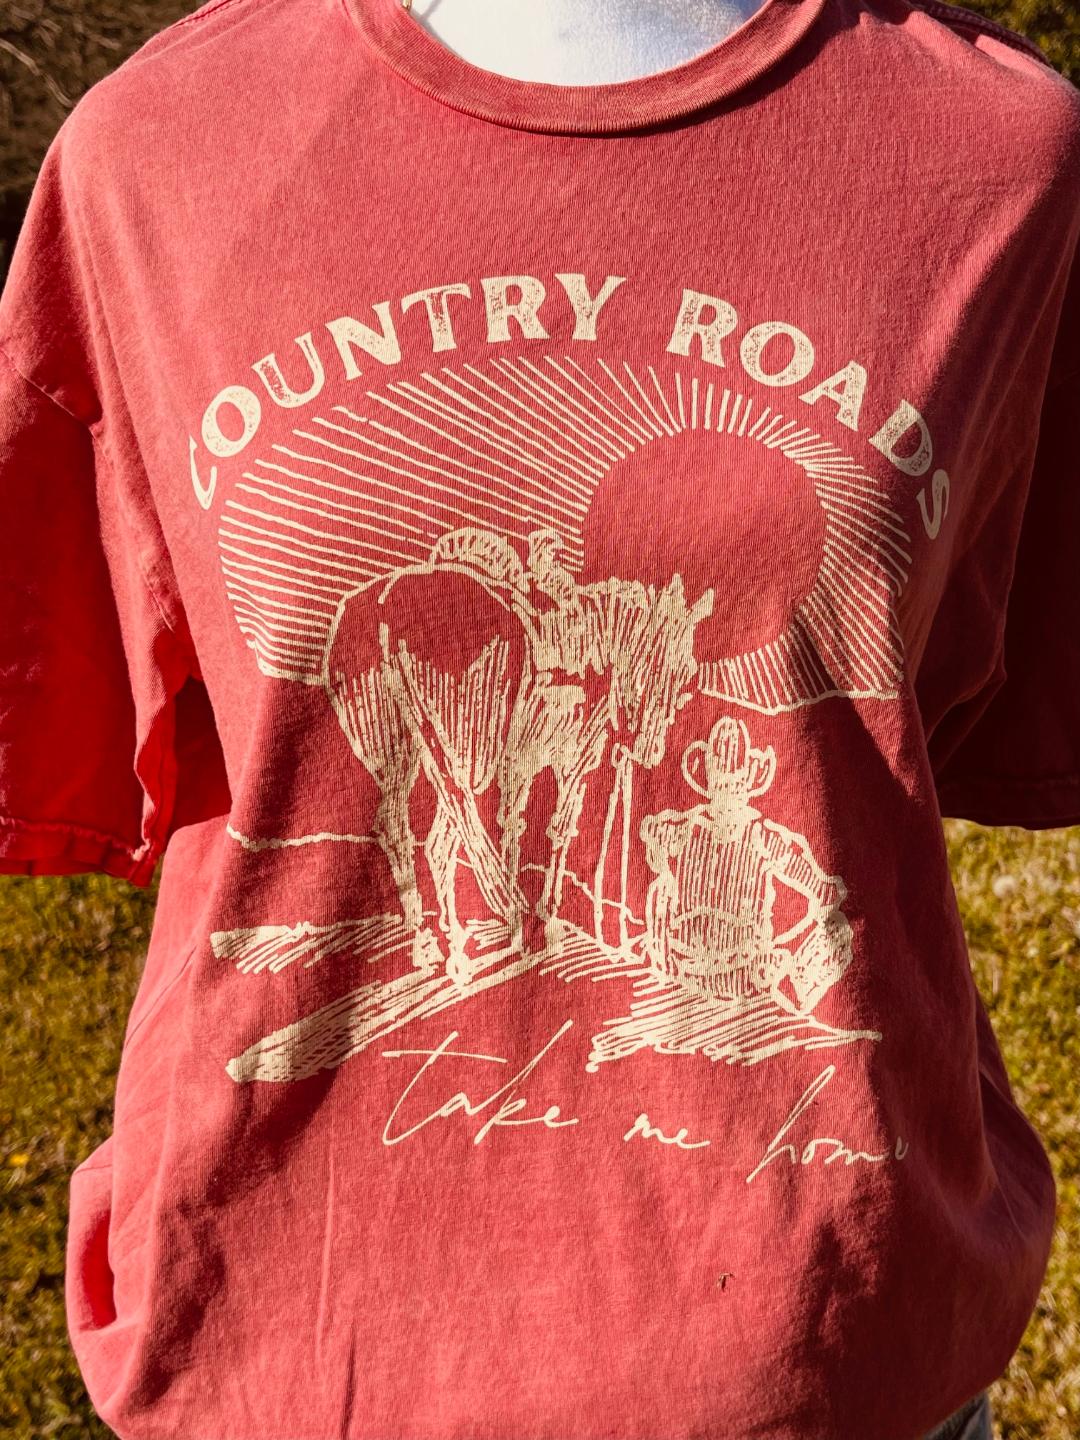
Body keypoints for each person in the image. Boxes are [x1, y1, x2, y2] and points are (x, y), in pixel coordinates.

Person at [1, 0, 1076, 1436]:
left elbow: (929, 725)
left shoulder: (1001, 157)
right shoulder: (151, 156)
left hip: (831, 1345)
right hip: (281, 1345)